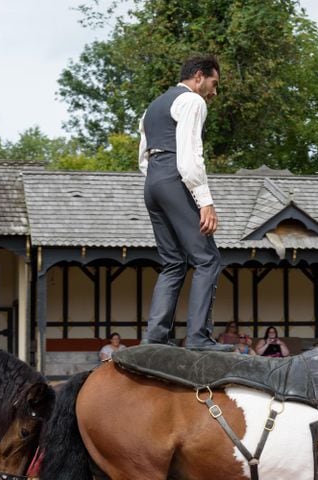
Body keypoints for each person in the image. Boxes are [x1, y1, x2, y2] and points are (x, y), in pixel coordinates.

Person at [138, 54, 233, 352]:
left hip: (152, 182)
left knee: (173, 263)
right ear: (199, 76)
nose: (214, 92)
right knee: (207, 259)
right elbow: (191, 155)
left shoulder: (152, 108)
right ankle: (198, 338)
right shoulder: (193, 101)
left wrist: (159, 180)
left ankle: (154, 338)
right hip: (174, 177)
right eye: (214, 83)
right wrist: (205, 201)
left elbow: (143, 157)